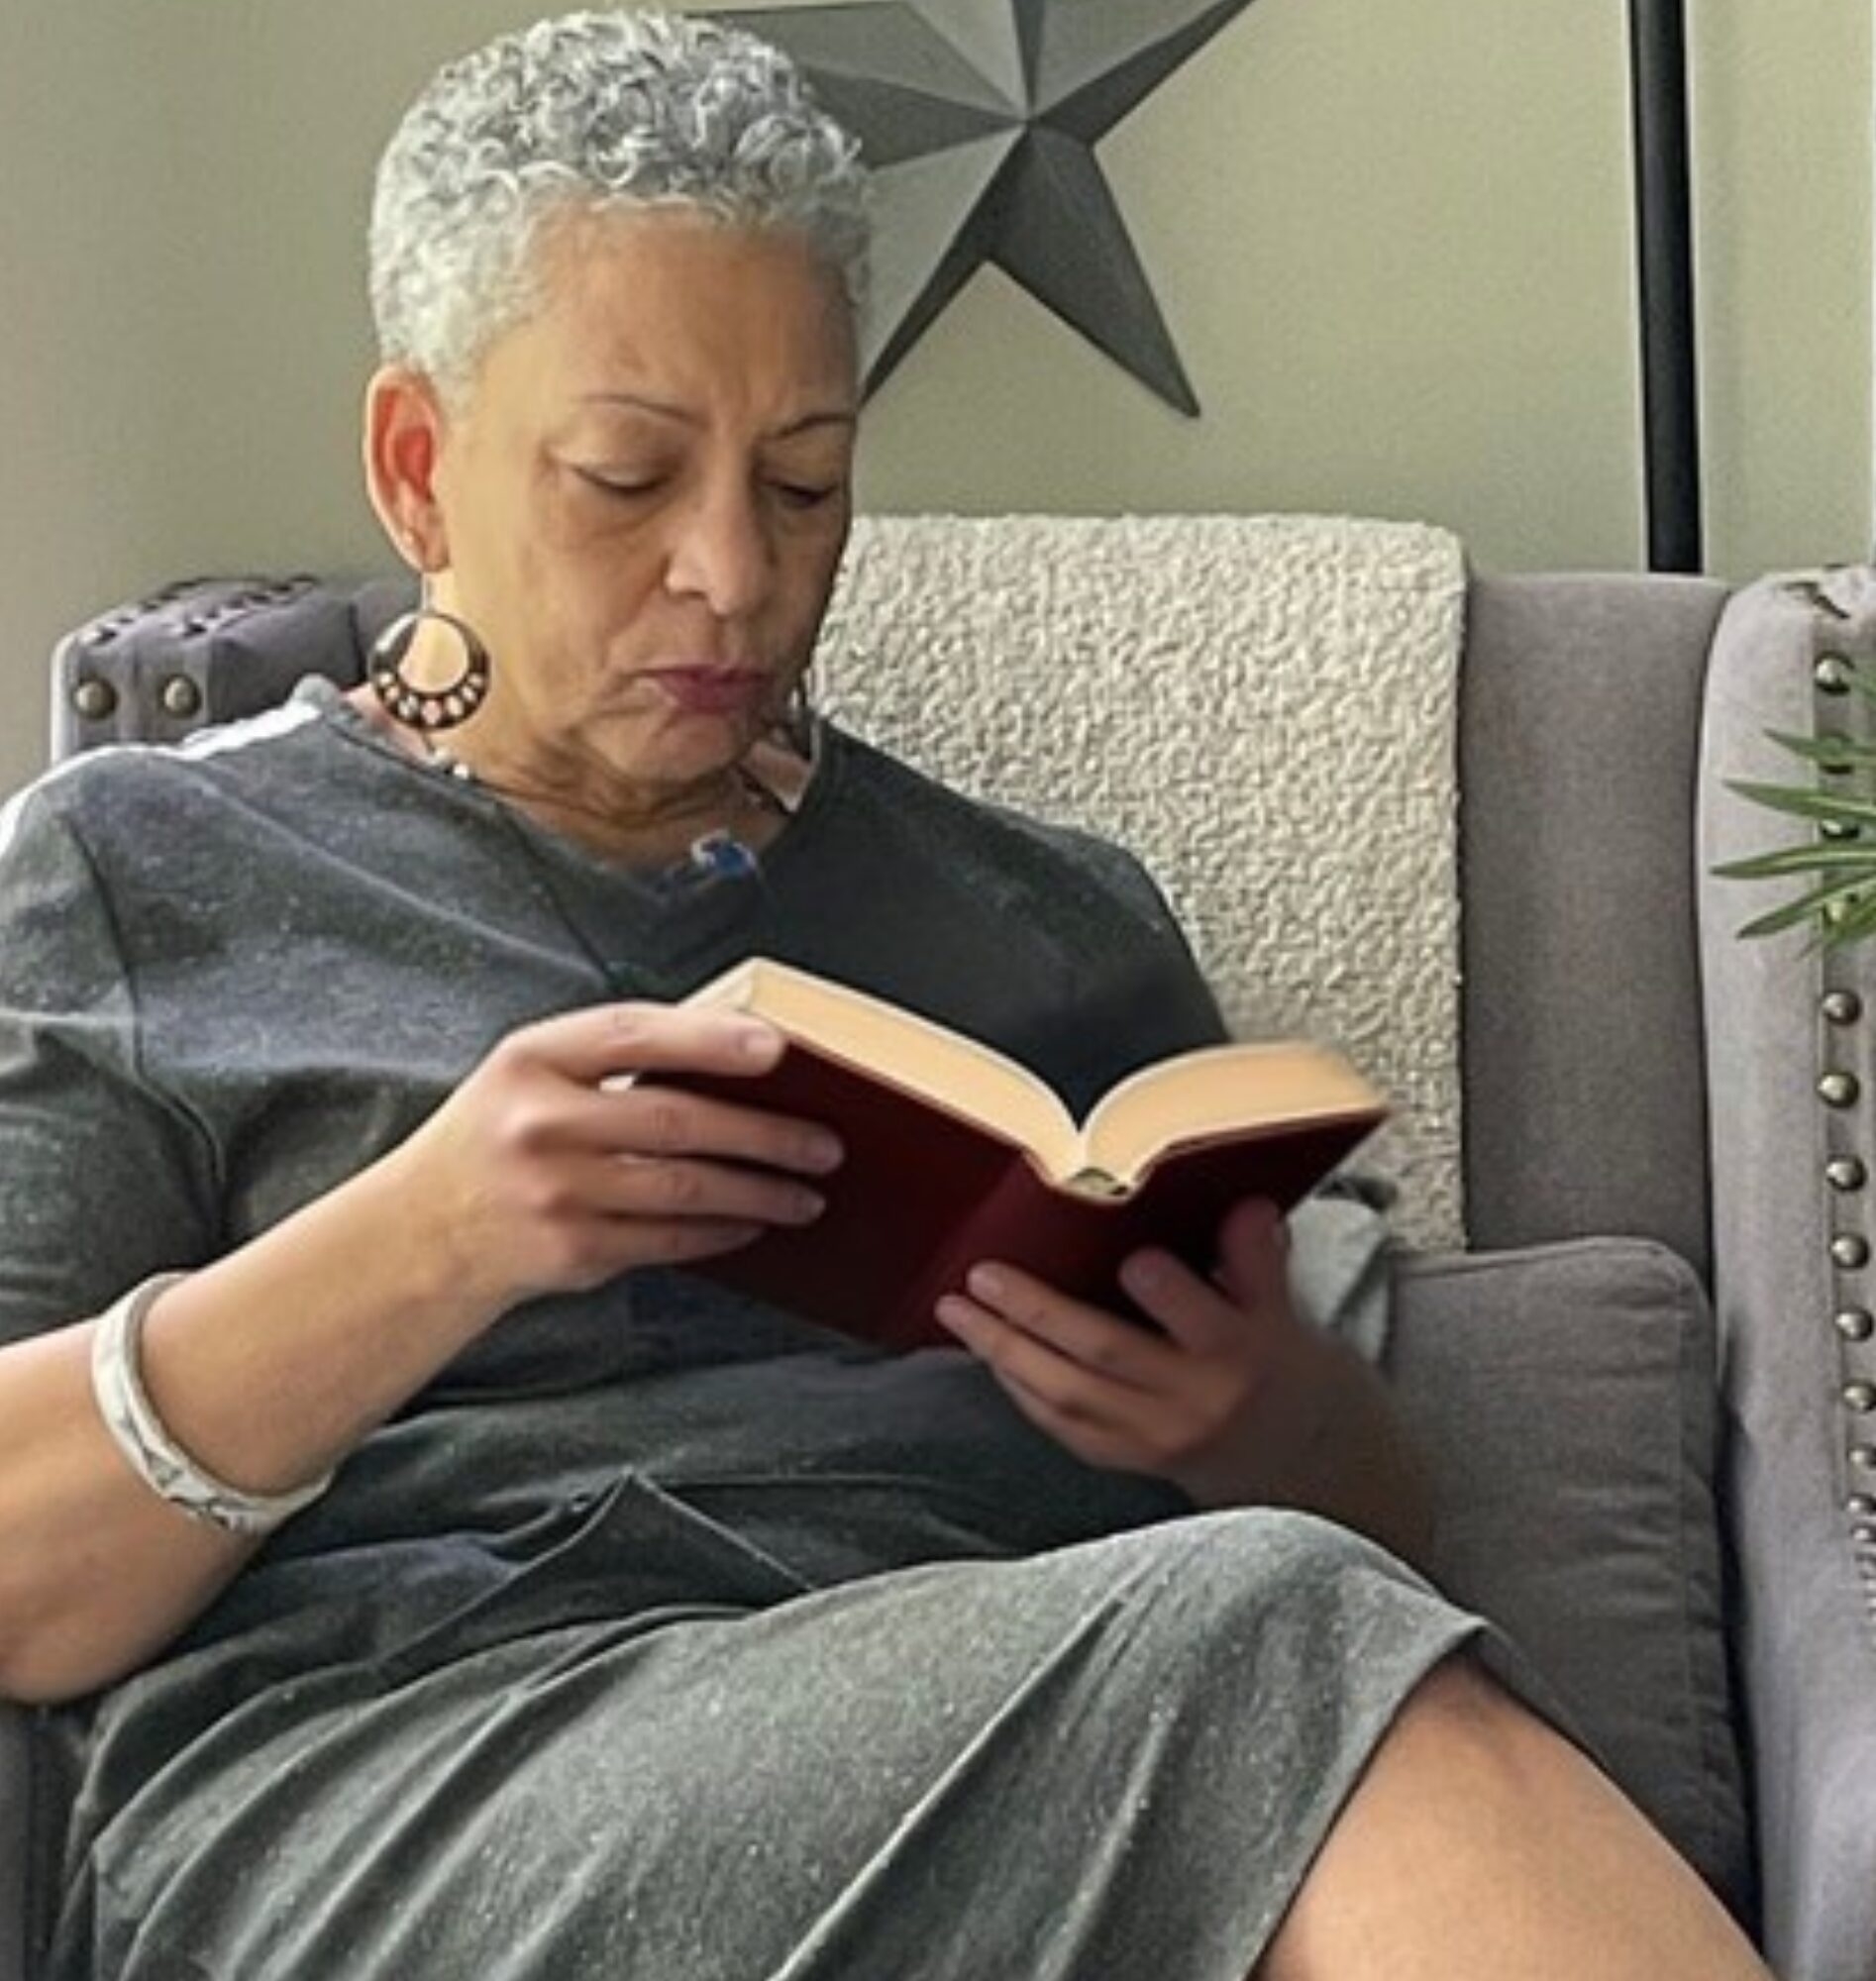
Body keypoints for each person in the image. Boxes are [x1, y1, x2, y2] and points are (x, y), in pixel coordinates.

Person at [0, 13, 1768, 1978]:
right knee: (1274, 1643)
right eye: (625, 477)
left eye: (806, 482)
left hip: (990, 1787)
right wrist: (430, 1237)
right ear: (418, 467)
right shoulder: (144, 876)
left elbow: (1371, 1518)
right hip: (398, 1789)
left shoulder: (1047, 929)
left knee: (1285, 1624)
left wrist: (1251, 1404)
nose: (729, 575)